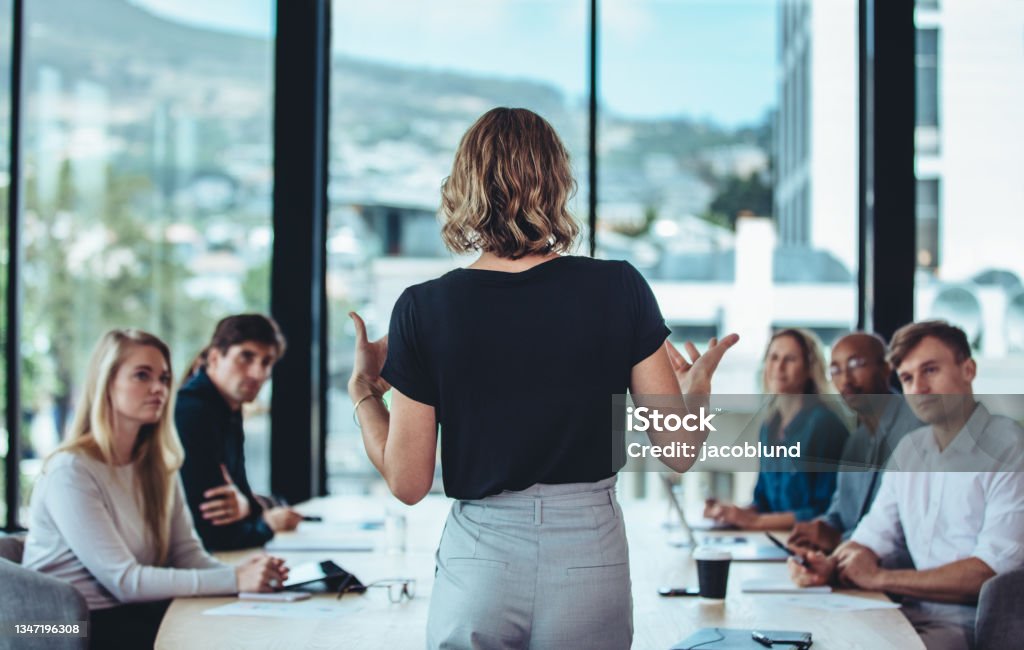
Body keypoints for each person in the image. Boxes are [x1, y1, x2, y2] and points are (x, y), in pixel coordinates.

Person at [347, 107, 738, 649]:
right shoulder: (619, 287)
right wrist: (696, 389)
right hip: (589, 552)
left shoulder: (423, 308)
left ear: (464, 186)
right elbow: (677, 450)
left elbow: (408, 482)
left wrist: (365, 393)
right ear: (556, 183)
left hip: (479, 558)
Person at [22, 329, 287, 649]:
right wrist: (234, 579)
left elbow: (188, 555)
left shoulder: (158, 465)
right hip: (66, 629)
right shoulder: (71, 470)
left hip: (130, 615)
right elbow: (125, 581)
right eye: (142, 376)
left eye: (163, 378)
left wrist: (248, 574)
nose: (158, 388)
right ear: (106, 382)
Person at [789, 321, 1024, 650]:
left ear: (968, 369)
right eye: (908, 378)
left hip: (972, 627)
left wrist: (880, 578)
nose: (919, 388)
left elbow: (990, 573)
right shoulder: (911, 449)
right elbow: (873, 535)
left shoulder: (1009, 448)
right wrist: (830, 565)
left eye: (931, 370)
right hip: (903, 611)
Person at [177, 314, 302, 552]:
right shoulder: (193, 412)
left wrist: (249, 506)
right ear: (214, 357)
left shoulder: (228, 409)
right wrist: (267, 522)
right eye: (246, 357)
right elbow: (214, 532)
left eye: (266, 362)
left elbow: (241, 495)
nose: (258, 374)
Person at [787, 333, 922, 553]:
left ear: (886, 367)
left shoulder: (915, 431)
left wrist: (838, 540)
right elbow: (838, 514)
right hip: (848, 563)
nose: (845, 379)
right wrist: (819, 530)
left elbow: (904, 531)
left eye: (856, 364)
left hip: (889, 571)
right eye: (835, 370)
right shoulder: (856, 441)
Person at [704, 328, 849, 530]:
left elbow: (826, 510)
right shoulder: (770, 425)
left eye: (790, 359)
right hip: (773, 539)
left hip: (809, 545)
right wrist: (732, 513)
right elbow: (762, 501)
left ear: (809, 369)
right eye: (773, 357)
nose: (779, 367)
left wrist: (756, 522)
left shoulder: (824, 425)